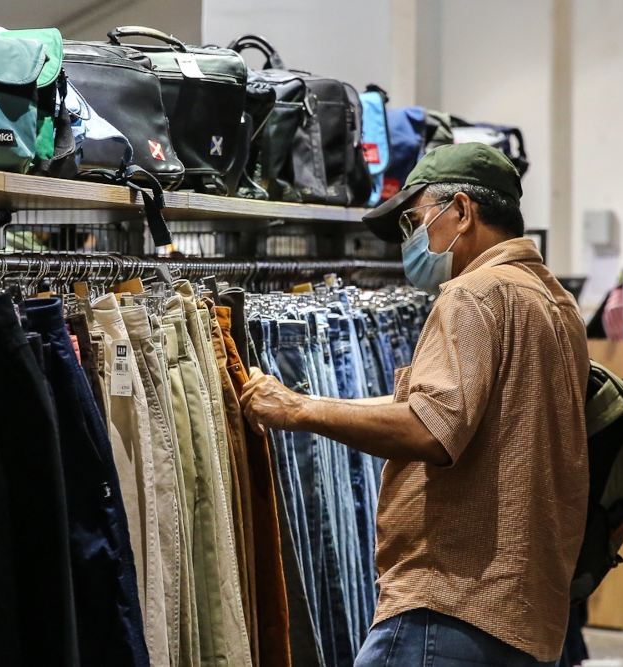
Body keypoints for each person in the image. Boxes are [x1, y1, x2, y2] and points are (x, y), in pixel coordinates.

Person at [240, 143, 589, 667]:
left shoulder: (473, 295)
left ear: (462, 212)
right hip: (524, 610)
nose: (410, 240)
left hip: (448, 606)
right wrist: (312, 399)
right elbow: (465, 412)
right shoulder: (554, 302)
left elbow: (432, 427)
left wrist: (297, 410)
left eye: (414, 220)